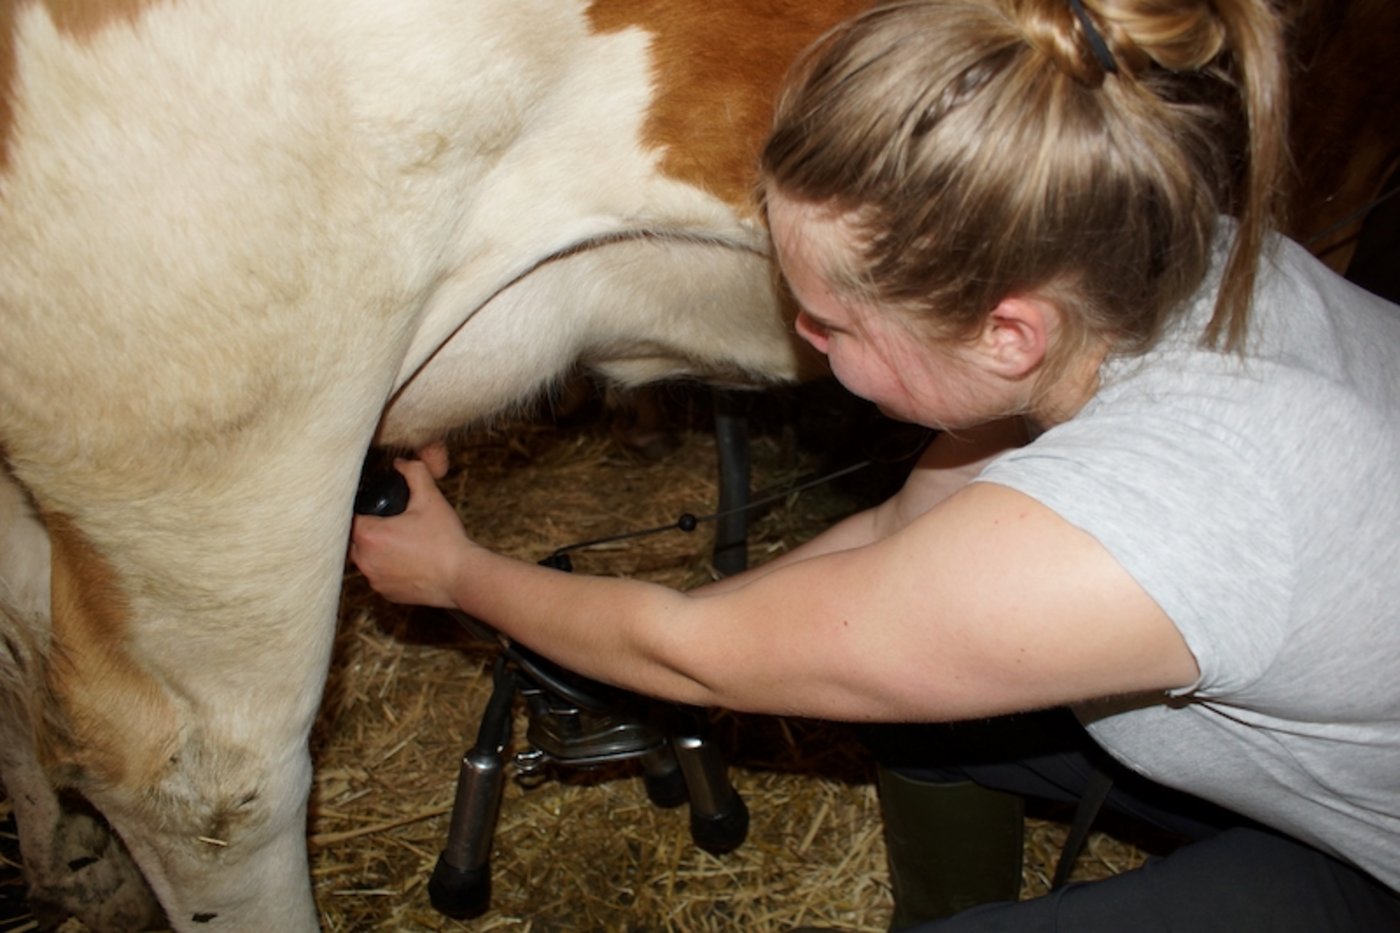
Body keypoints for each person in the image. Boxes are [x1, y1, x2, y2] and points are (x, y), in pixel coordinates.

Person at [351, 0, 1400, 929]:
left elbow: (689, 654)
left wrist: (456, 576)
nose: (805, 344)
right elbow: (897, 542)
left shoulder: (1141, 529)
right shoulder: (1146, 258)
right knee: (928, 732)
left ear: (1006, 335)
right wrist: (722, 621)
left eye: (832, 324)